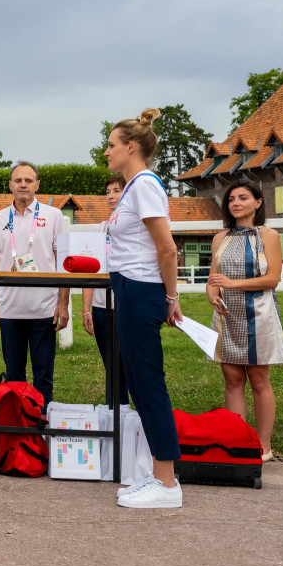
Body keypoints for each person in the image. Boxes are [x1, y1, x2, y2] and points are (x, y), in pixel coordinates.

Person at [104, 108, 183, 508]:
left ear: (130, 147)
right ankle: (156, 473)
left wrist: (172, 298)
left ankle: (167, 483)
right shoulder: (133, 187)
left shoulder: (146, 185)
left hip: (141, 291)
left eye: (112, 145)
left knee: (149, 384)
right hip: (129, 289)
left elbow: (166, 247)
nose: (106, 152)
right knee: (138, 383)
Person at [207, 181, 283, 462]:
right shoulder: (220, 238)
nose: (236, 203)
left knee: (259, 379)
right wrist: (212, 294)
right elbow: (213, 278)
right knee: (232, 377)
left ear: (258, 202)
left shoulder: (269, 235)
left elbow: (272, 279)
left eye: (243, 198)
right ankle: (237, 439)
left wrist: (231, 284)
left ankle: (263, 445)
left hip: (259, 315)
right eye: (231, 199)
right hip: (227, 316)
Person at [0, 161, 70, 409]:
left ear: (37, 185)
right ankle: (19, 427)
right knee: (14, 376)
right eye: (18, 180)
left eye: (29, 181)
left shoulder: (53, 216)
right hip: (10, 309)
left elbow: (63, 262)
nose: (23, 185)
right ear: (10, 185)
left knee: (43, 376)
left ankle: (42, 424)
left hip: (43, 309)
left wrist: (62, 304)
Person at [82, 175, 130, 407]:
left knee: (130, 362)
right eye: (108, 191)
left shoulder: (137, 228)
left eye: (117, 190)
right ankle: (116, 413)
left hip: (130, 304)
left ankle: (137, 416)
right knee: (110, 363)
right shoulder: (97, 230)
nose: (111, 195)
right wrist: (85, 309)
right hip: (102, 307)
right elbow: (88, 272)